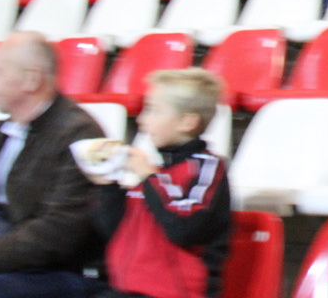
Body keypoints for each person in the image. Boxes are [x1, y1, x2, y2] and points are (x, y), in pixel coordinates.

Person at [0, 31, 105, 296]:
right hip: (4, 251)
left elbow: (59, 232)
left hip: (59, 268)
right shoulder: (6, 129)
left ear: (32, 79)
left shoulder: (79, 134)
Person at [91, 69, 230, 298]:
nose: (141, 120)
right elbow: (113, 231)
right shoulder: (157, 173)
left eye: (153, 110)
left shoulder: (206, 168)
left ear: (186, 122)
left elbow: (183, 229)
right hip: (124, 290)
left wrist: (149, 177)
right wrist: (108, 186)